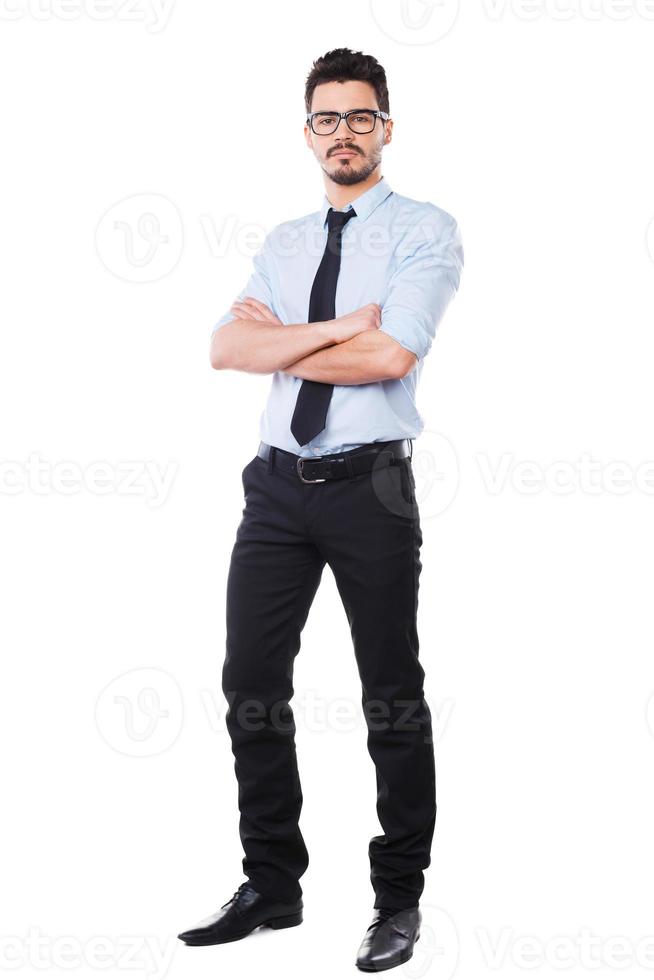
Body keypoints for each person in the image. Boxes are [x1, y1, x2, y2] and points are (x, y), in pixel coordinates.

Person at [178, 46, 464, 972]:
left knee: (391, 695)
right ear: (308, 132)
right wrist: (342, 327)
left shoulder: (425, 229)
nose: (344, 133)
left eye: (362, 117)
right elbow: (225, 349)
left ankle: (398, 899)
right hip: (275, 486)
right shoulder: (287, 241)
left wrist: (286, 344)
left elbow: (391, 361)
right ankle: (272, 884)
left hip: (369, 486)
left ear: (388, 126)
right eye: (327, 119)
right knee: (250, 685)